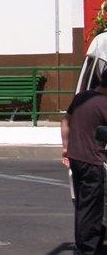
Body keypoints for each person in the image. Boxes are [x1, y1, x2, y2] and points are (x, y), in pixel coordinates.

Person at [61, 67, 107, 255]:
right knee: (91, 208)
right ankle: (86, 248)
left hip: (76, 158)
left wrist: (65, 148)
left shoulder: (82, 97)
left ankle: (86, 243)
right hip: (93, 162)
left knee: (82, 205)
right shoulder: (104, 104)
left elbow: (65, 121)